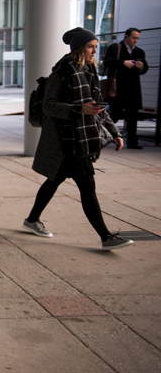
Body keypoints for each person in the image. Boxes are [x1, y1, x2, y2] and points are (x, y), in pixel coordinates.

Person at [22, 27, 133, 251]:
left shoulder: (89, 71)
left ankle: (32, 220)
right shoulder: (61, 73)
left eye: (96, 46)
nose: (94, 51)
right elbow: (49, 106)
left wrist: (115, 132)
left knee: (54, 181)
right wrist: (78, 110)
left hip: (82, 137)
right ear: (80, 48)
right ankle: (106, 236)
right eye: (91, 46)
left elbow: (100, 107)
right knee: (87, 185)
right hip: (67, 140)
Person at [103, 27, 148, 149]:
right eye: (133, 38)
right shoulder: (115, 48)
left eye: (137, 38)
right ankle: (101, 134)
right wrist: (123, 62)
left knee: (133, 116)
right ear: (126, 36)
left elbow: (145, 69)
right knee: (115, 114)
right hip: (118, 88)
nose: (135, 41)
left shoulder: (139, 52)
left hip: (133, 89)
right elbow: (107, 62)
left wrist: (141, 66)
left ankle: (133, 142)